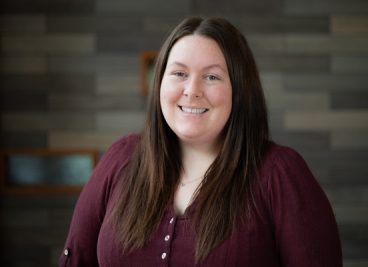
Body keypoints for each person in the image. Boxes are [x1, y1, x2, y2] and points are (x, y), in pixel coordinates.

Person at [59, 16, 342, 267]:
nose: (192, 91)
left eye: (211, 77)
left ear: (240, 90)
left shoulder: (280, 172)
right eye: (179, 74)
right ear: (160, 83)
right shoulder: (121, 159)